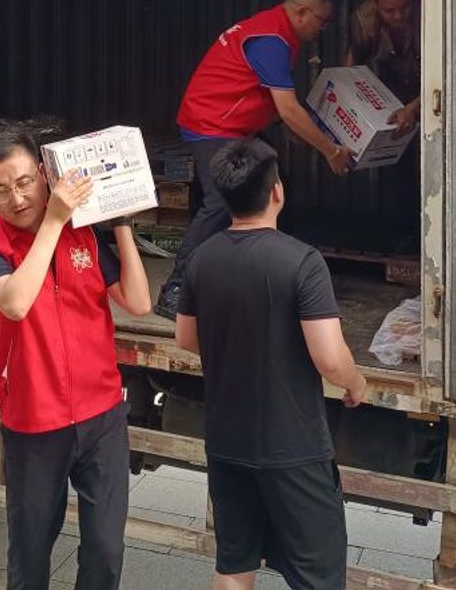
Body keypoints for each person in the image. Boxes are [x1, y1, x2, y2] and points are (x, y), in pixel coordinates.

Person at [0, 125, 154, 590]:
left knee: (106, 551)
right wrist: (52, 222)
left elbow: (138, 302)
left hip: (102, 414)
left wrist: (121, 224)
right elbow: (15, 302)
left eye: (24, 182)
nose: (16, 198)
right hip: (35, 422)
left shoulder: (83, 233)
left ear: (44, 174)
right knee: (30, 553)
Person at [175, 139, 367, 590]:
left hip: (226, 441)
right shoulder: (303, 262)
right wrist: (356, 382)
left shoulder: (202, 259)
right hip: (292, 447)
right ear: (277, 192)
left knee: (233, 564)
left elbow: (186, 338)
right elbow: (329, 358)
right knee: (318, 576)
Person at [154, 0, 351, 319]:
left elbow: (267, 99)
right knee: (221, 201)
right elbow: (289, 109)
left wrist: (290, 128)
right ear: (302, 13)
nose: (324, 29)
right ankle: (175, 289)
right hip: (212, 125)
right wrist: (331, 151)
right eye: (323, 21)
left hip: (237, 127)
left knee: (275, 188)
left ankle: (278, 276)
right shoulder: (271, 40)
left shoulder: (278, 32)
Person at [343, 0, 421, 254]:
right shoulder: (364, 19)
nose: (398, 16)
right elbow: (352, 64)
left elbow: (447, 71)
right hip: (393, 95)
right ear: (375, 4)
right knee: (397, 166)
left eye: (404, 7)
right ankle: (404, 234)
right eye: (389, 10)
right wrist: (347, 105)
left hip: (433, 91)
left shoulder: (432, 10)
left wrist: (414, 107)